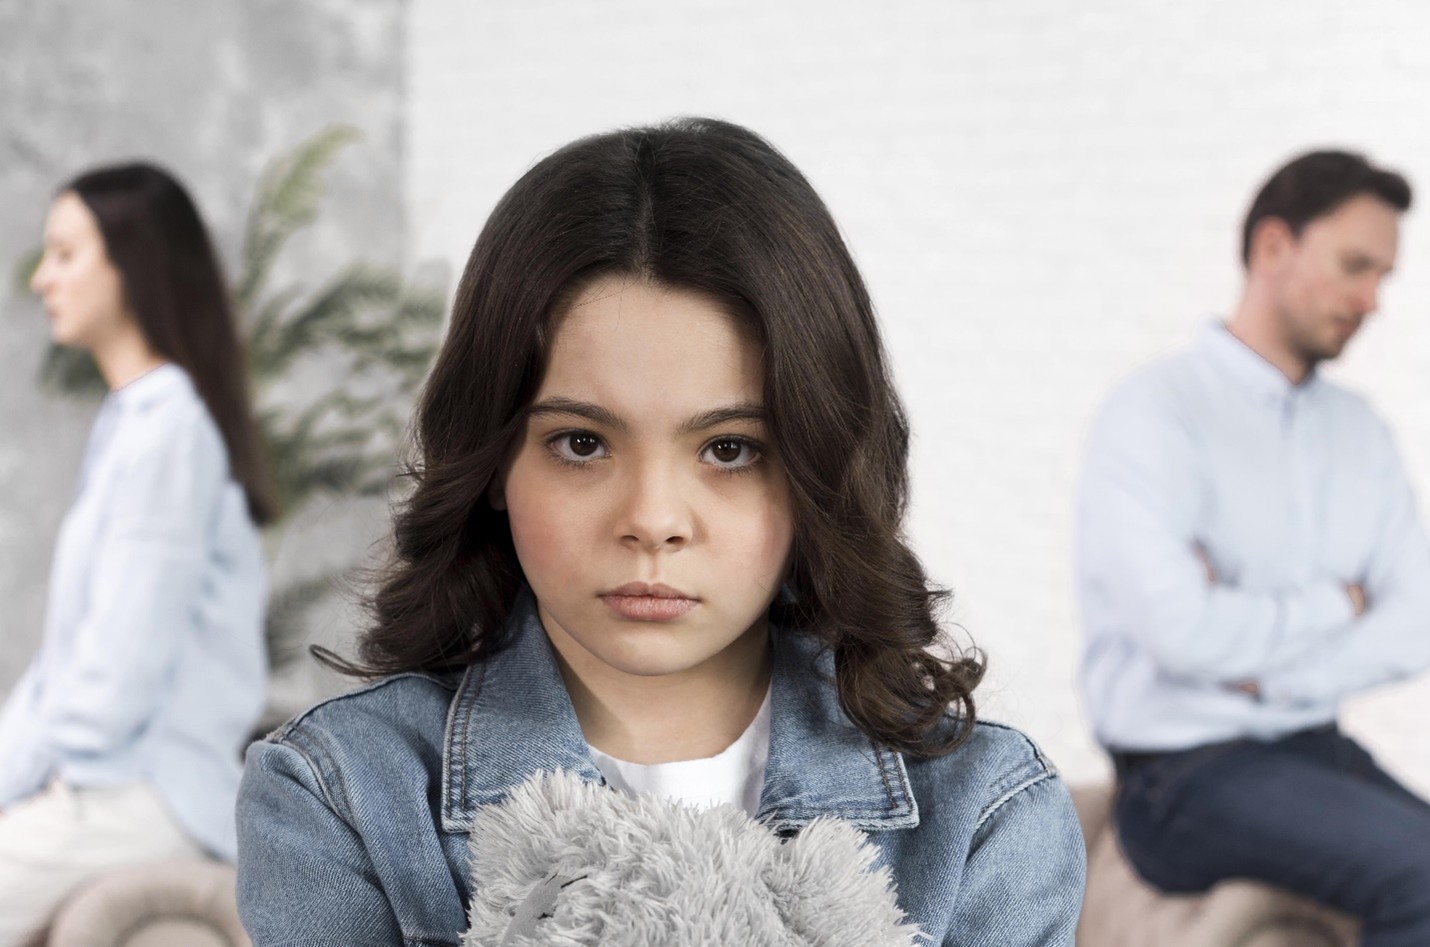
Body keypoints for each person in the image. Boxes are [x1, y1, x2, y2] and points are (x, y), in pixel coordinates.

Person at [236, 118, 1086, 945]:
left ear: (817, 468)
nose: (651, 519)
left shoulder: (987, 813)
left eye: (729, 448)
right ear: (494, 461)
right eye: (581, 443)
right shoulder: (340, 795)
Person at [1078, 150, 1430, 944]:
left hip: (1313, 745)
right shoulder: (1156, 415)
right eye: (1354, 266)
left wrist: (1260, 667)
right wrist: (1335, 603)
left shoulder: (1361, 432)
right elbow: (1178, 631)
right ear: (1273, 246)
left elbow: (1415, 619)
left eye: (1384, 276)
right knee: (1422, 874)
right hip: (1182, 773)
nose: (1372, 299)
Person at [0, 163, 275, 944]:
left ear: (131, 265)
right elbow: (66, 664)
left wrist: (23, 784)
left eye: (63, 253)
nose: (42, 277)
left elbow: (116, 673)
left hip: (143, 793)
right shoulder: (136, 423)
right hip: (105, 785)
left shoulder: (169, 432)